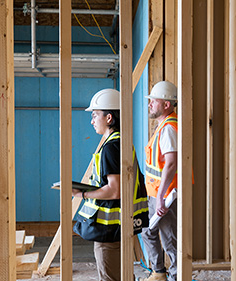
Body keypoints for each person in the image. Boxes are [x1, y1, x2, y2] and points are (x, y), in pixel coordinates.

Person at [72, 88, 149, 281]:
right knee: (121, 274)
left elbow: (115, 190)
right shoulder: (120, 142)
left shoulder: (111, 147)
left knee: (111, 277)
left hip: (109, 229)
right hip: (118, 227)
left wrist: (82, 195)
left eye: (95, 115)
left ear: (108, 118)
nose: (92, 120)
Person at [140, 81, 179, 281]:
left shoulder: (169, 128)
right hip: (157, 193)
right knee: (148, 231)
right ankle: (159, 273)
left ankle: (174, 276)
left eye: (153, 101)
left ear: (166, 104)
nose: (150, 104)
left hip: (167, 195)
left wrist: (162, 196)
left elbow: (171, 164)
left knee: (170, 240)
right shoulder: (163, 126)